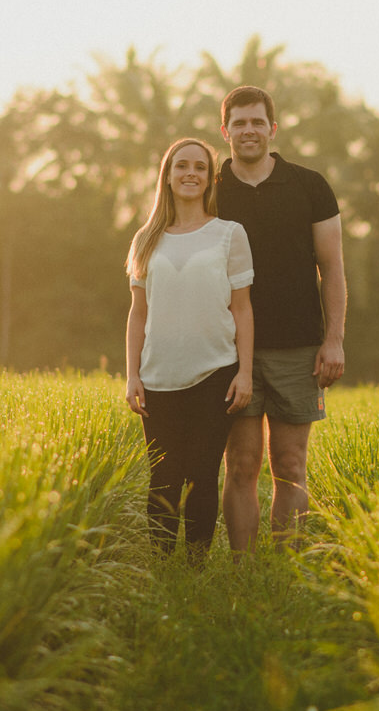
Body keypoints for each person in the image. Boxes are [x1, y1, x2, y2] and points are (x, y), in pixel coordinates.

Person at [216, 86, 346, 550]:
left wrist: (334, 340)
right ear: (225, 130)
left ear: (272, 128)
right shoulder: (211, 191)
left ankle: (284, 568)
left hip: (298, 347)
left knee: (290, 463)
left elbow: (331, 268)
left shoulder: (310, 186)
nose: (248, 131)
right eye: (239, 123)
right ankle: (244, 571)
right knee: (242, 464)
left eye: (257, 122)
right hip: (230, 352)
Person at [125, 137, 255, 556]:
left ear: (209, 178)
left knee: (202, 473)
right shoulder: (146, 238)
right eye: (182, 166)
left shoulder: (229, 234)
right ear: (167, 176)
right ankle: (164, 568)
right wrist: (132, 376)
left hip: (214, 372)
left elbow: (242, 309)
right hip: (158, 375)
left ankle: (196, 567)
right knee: (163, 476)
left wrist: (245, 372)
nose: (190, 173)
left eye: (200, 167)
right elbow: (138, 314)